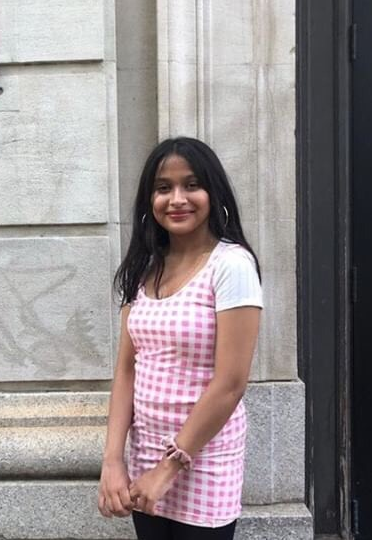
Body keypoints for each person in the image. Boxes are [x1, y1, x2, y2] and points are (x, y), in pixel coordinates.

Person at [98, 137, 262, 540]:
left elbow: (230, 384)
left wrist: (168, 469)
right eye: (163, 187)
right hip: (145, 455)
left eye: (191, 185)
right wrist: (113, 460)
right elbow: (126, 370)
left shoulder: (231, 265)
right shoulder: (144, 268)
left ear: (213, 193)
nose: (177, 199)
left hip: (203, 461)